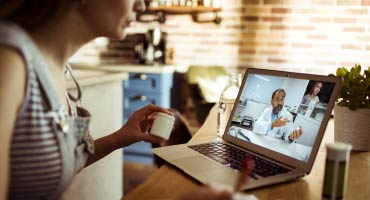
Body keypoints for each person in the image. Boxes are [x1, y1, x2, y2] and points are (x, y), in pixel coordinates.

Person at [0, 0, 234, 199]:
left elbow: (56, 161)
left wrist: (122, 137)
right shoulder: (9, 58)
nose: (141, 6)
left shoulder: (56, 67)